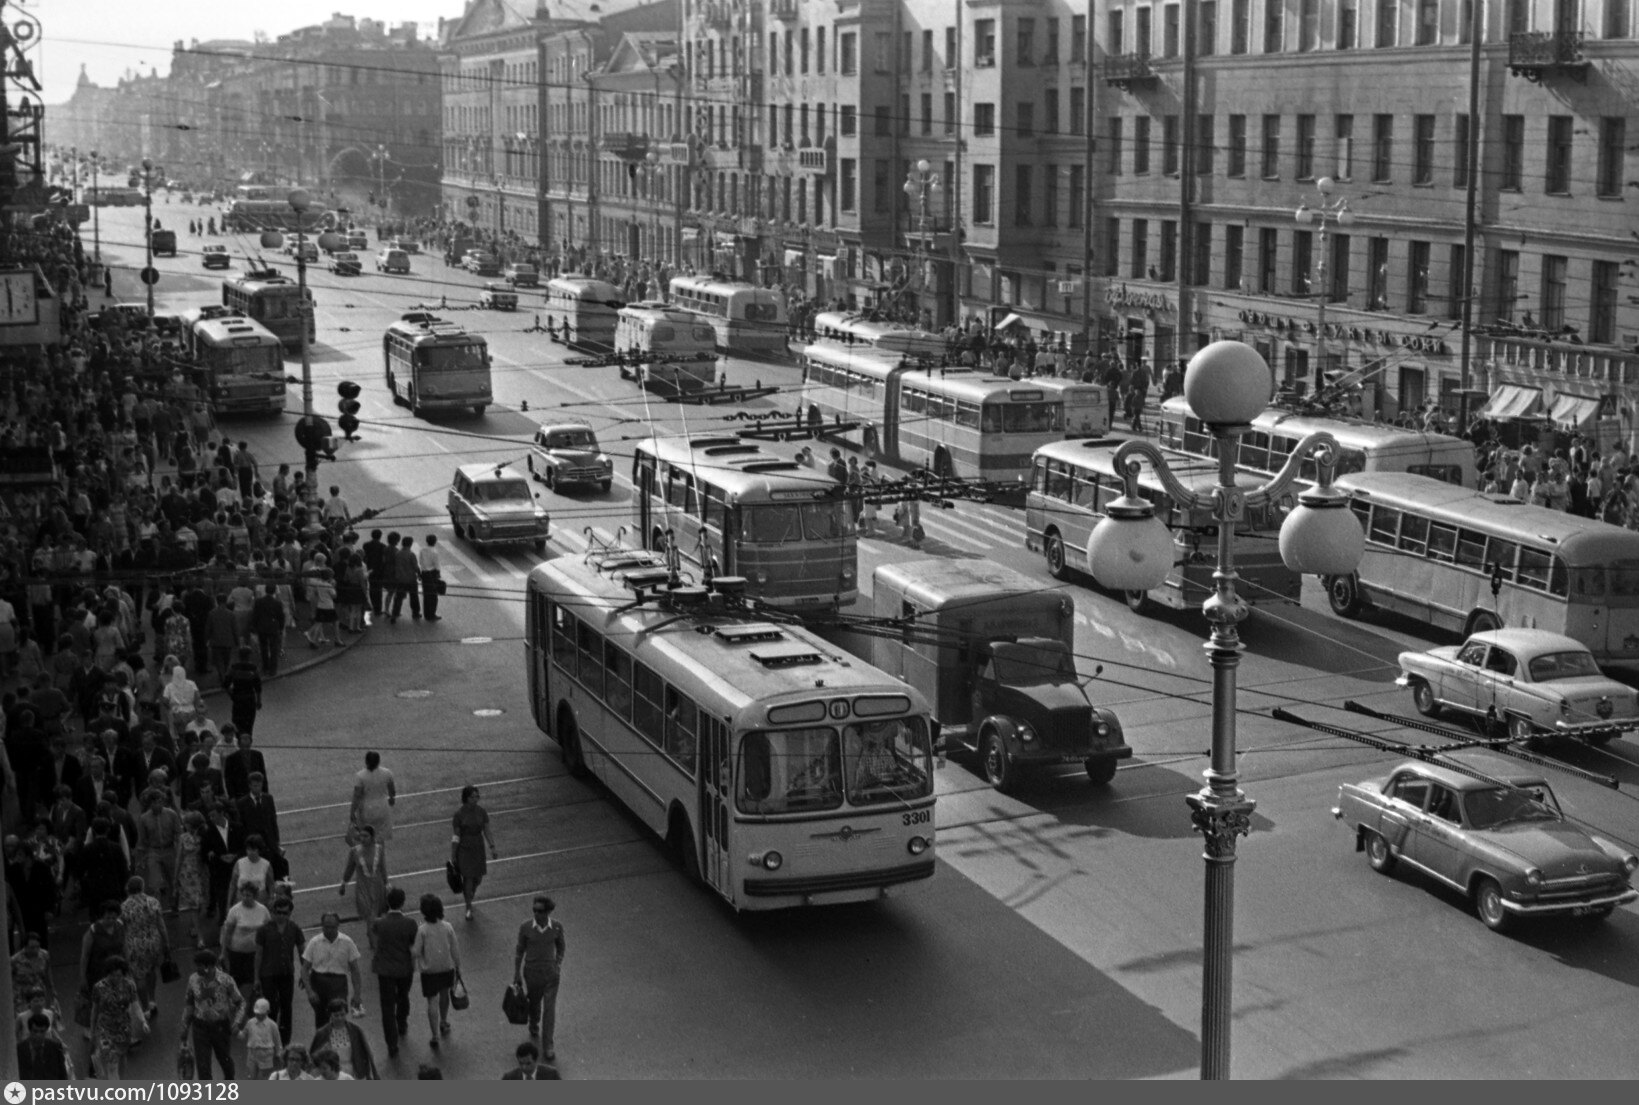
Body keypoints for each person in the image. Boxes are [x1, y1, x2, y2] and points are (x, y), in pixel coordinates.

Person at [513, 895, 566, 1060]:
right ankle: (533, 1022)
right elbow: (519, 950)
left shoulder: (556, 927)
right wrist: (516, 973)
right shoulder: (526, 927)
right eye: (534, 910)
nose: (536, 913)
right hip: (532, 973)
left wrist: (557, 964)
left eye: (540, 911)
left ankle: (548, 1046)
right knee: (534, 1003)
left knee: (549, 1010)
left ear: (548, 911)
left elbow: (561, 946)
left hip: (551, 975)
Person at [181, 948, 244, 1081]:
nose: (197, 968)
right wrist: (185, 1027)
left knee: (225, 1060)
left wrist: (237, 1022)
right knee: (203, 1067)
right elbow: (189, 1004)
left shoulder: (226, 980)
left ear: (209, 966)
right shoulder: (193, 979)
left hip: (220, 1027)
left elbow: (240, 1003)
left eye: (200, 966)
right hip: (200, 1027)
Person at [370, 886, 417, 1058]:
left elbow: (375, 937)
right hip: (404, 967)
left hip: (385, 969)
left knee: (387, 1006)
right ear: (403, 902)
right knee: (403, 995)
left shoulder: (379, 923)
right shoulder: (410, 923)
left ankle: (391, 1042)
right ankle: (402, 1021)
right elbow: (413, 943)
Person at [252, 895, 305, 1047]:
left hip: (286, 973)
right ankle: (271, 1037)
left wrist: (304, 972)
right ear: (273, 912)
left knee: (287, 1006)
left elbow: (302, 952)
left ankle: (285, 1040)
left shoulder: (294, 928)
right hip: (268, 974)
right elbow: (259, 955)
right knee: (271, 1007)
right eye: (278, 912)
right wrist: (256, 978)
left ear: (289, 914)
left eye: (285, 913)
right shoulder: (264, 930)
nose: (281, 915)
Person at [411, 894, 460, 1051]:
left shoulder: (422, 930)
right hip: (446, 967)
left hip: (429, 971)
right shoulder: (447, 927)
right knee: (444, 995)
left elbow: (416, 951)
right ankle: (444, 1022)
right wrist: (458, 967)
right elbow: (455, 949)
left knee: (432, 1001)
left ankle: (434, 1036)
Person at [300, 912, 363, 1027]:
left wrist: (357, 994)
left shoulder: (347, 942)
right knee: (321, 1019)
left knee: (339, 1015)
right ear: (322, 926)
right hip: (318, 982)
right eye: (326, 927)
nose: (329, 930)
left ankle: (339, 1042)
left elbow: (355, 970)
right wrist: (310, 991)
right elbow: (304, 969)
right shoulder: (314, 942)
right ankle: (323, 1043)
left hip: (338, 983)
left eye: (332, 927)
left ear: (338, 926)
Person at [119, 876, 168, 1018]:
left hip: (133, 945)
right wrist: (166, 943)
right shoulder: (153, 902)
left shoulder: (124, 907)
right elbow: (161, 926)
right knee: (151, 971)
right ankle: (153, 1000)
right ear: (142, 886)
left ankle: (145, 1007)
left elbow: (122, 930)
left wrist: (122, 949)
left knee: (138, 976)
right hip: (153, 942)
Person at [87, 955, 140, 1079]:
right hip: (106, 1029)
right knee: (111, 1061)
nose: (117, 978)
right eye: (113, 975)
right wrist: (92, 1031)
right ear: (108, 973)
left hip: (123, 1029)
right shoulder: (98, 988)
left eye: (119, 975)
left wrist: (142, 1021)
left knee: (121, 1057)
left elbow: (135, 1004)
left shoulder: (129, 985)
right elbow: (94, 1010)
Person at [450, 784, 498, 919]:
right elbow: (456, 835)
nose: (476, 799)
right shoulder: (459, 815)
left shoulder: (481, 812)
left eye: (477, 796)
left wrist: (492, 846)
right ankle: (468, 906)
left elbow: (487, 830)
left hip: (478, 846)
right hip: (464, 848)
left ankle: (470, 895)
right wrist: (453, 853)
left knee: (478, 878)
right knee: (468, 877)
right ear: (466, 798)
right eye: (473, 797)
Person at [338, 824, 389, 948]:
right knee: (370, 916)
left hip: (378, 887)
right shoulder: (355, 851)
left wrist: (387, 884)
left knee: (375, 916)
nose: (362, 838)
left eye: (365, 836)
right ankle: (375, 944)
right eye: (361, 836)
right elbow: (349, 869)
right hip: (363, 888)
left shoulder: (379, 849)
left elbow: (382, 868)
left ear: (372, 837)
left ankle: (373, 937)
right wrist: (344, 883)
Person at [220, 881, 272, 995]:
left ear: (254, 896)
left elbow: (268, 931)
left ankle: (253, 1006)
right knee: (237, 982)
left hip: (255, 954)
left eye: (248, 895)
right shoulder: (235, 910)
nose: (245, 898)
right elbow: (227, 933)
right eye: (243, 895)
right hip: (237, 953)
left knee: (254, 981)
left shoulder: (263, 910)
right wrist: (223, 953)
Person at [308, 998, 377, 1080]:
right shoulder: (322, 1033)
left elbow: (366, 1053)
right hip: (331, 1073)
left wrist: (370, 1073)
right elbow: (313, 1057)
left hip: (353, 1072)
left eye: (342, 1014)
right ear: (330, 1015)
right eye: (336, 1015)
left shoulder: (355, 1030)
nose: (340, 1018)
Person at [350, 751, 396, 843]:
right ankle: (379, 856)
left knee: (366, 837)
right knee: (380, 838)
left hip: (366, 808)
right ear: (378, 761)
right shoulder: (387, 773)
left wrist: (352, 811)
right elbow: (392, 791)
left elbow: (357, 796)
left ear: (366, 761)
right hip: (383, 807)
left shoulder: (360, 776)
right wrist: (391, 799)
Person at [17, 1012, 72, 1080]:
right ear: (30, 1031)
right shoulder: (20, 1049)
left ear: (46, 1031)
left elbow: (62, 1074)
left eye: (42, 1031)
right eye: (35, 1031)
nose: (38, 1035)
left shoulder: (55, 1047)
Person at [221, 648, 263, 736]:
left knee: (237, 724)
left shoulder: (234, 668)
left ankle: (239, 741)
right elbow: (258, 686)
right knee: (249, 725)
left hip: (238, 700)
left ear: (239, 656)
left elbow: (225, 684)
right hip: (250, 699)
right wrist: (259, 701)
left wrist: (231, 695)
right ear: (249, 656)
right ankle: (247, 741)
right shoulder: (253, 668)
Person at [240, 997, 281, 1080]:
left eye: (261, 1014)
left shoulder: (272, 1025)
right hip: (252, 1053)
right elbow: (243, 1035)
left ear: (267, 1012)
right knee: (251, 1076)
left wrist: (278, 1054)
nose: (258, 1016)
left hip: (266, 1054)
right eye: (257, 1014)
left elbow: (277, 1041)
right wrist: (237, 1032)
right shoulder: (250, 1023)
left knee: (264, 1077)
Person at [230, 833, 276, 905]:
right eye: (248, 849)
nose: (250, 852)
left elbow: (271, 885)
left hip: (260, 902)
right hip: (241, 902)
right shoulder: (239, 863)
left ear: (259, 850)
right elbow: (232, 885)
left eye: (253, 850)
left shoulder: (266, 865)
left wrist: (271, 899)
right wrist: (228, 904)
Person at [418, 534, 443, 621]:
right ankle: (431, 614)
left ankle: (426, 614)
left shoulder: (422, 550)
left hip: (424, 573)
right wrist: (438, 574)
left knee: (426, 595)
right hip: (432, 574)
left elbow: (420, 561)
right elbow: (437, 565)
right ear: (435, 542)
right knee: (433, 596)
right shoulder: (434, 552)